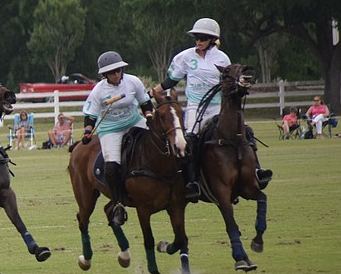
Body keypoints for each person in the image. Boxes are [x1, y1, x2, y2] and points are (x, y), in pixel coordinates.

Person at [151, 18, 271, 200]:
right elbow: (171, 80)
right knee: (189, 139)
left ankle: (257, 171)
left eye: (203, 38)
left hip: (218, 107)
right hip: (194, 107)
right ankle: (192, 182)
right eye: (196, 38)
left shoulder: (222, 58)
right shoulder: (185, 57)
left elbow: (230, 83)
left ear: (212, 40)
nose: (198, 42)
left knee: (245, 131)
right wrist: (152, 92)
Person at [81, 51, 154, 226]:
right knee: (112, 166)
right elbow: (90, 115)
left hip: (134, 121)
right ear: (105, 75)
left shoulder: (133, 82)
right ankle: (119, 203)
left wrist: (149, 116)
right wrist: (87, 132)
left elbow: (144, 102)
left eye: (119, 70)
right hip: (110, 129)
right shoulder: (99, 91)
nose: (116, 74)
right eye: (112, 72)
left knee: (160, 141)